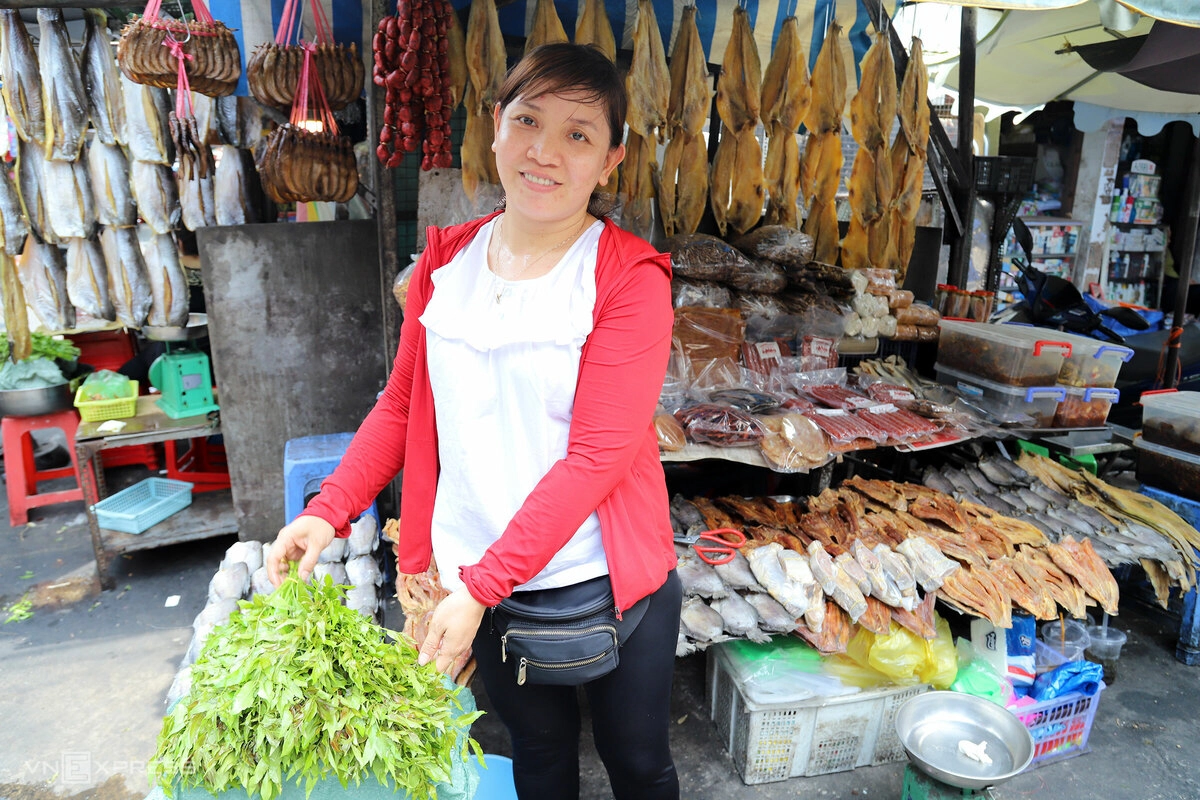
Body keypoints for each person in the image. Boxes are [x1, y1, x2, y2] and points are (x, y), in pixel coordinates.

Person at [267, 43, 682, 800]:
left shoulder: (628, 278)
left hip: (600, 582)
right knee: (537, 755)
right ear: (495, 127)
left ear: (611, 159)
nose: (545, 152)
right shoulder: (445, 264)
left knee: (639, 764)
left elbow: (597, 456)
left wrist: (483, 585)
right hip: (479, 584)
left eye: (579, 134)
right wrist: (328, 511)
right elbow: (402, 405)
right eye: (528, 121)